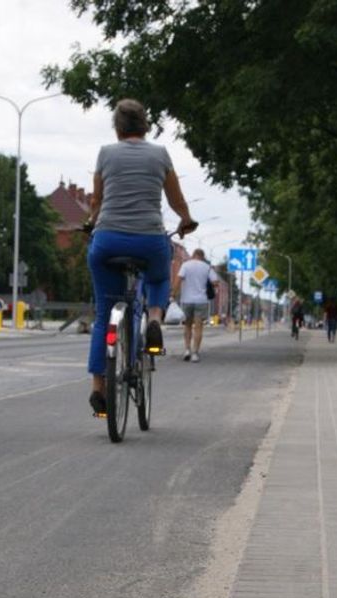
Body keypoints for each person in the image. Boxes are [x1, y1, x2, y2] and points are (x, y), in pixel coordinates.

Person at [84, 99, 197, 415]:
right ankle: (156, 319)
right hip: (149, 240)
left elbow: (97, 200)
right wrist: (186, 219)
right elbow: (175, 199)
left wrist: (91, 223)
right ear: (145, 125)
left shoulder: (105, 153)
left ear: (117, 127)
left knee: (104, 313)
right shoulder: (160, 154)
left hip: (107, 240)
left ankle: (98, 388)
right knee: (159, 276)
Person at [172, 247, 219, 362]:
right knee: (198, 327)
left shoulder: (186, 265)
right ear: (203, 257)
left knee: (187, 326)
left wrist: (173, 294)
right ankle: (195, 353)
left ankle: (187, 350)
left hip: (186, 300)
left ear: (193, 255)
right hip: (201, 301)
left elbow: (178, 280)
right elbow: (216, 282)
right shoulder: (207, 267)